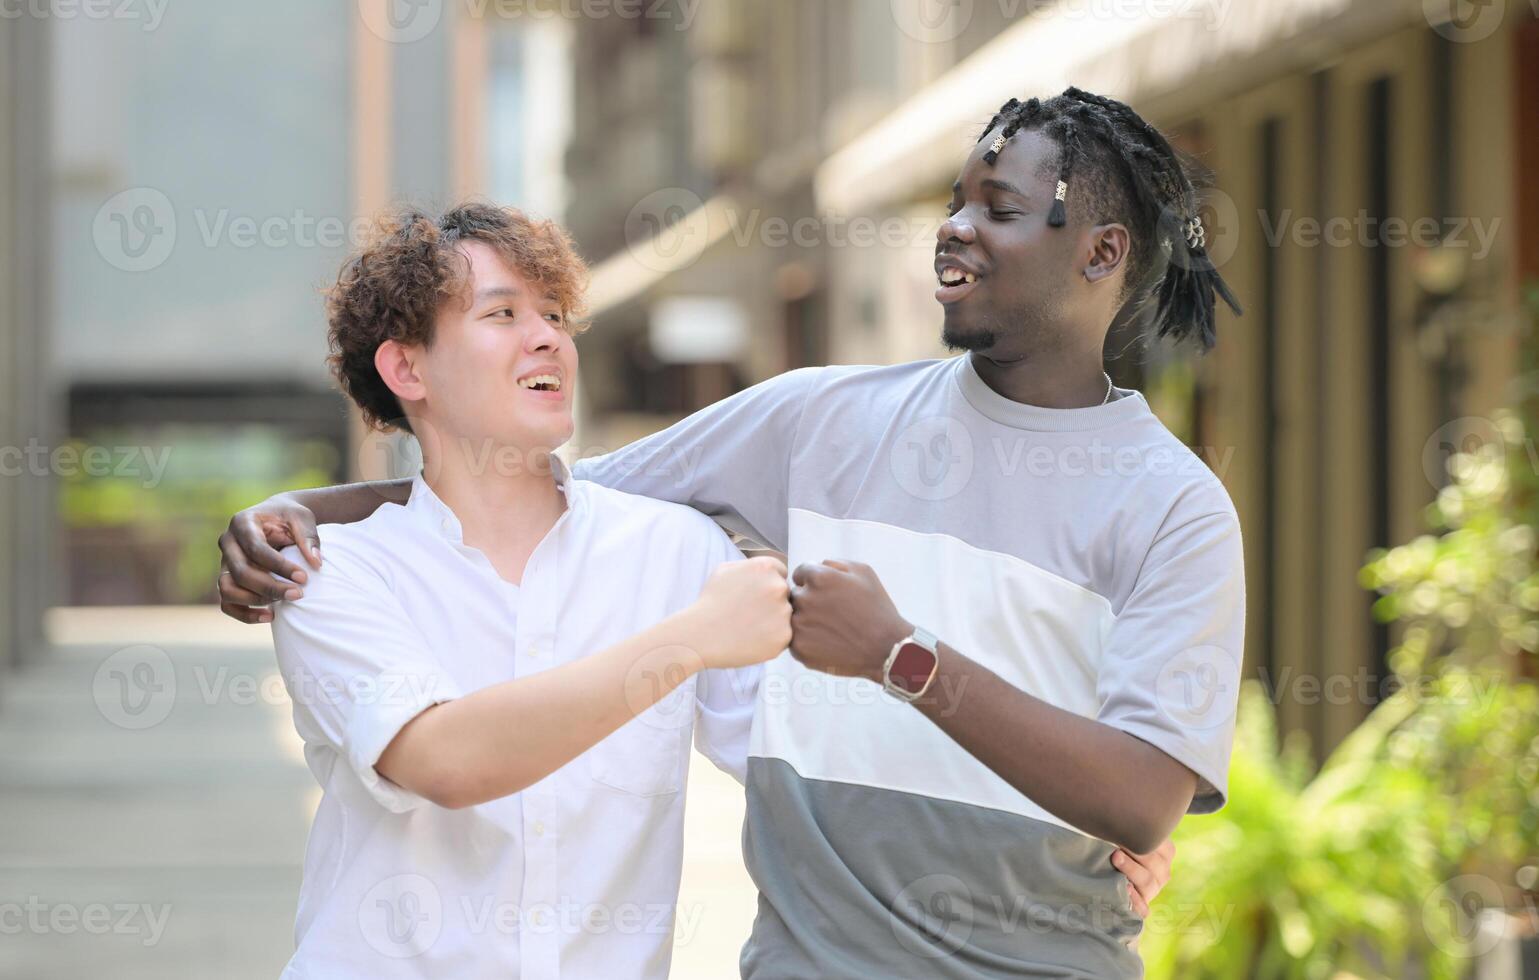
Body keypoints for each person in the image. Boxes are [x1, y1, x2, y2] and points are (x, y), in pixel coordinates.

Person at [223, 86, 1234, 977]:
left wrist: (1092, 806)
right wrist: (292, 516)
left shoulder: (1172, 505)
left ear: (1102, 252)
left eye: (999, 209)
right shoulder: (809, 423)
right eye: (955, 203)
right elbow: (530, 493)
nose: (955, 229)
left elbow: (1108, 783)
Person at [261, 202, 792, 979]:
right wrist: (688, 641)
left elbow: (803, 771)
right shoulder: (331, 573)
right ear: (406, 369)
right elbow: (444, 760)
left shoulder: (676, 552)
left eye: (552, 313)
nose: (546, 336)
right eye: (501, 313)